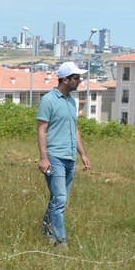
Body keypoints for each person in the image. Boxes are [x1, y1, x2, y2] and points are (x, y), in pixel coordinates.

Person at [36, 62, 91, 249]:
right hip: (54, 157)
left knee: (59, 200)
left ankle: (46, 231)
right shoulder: (49, 100)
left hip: (70, 157)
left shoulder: (72, 102)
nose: (79, 82)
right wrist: (44, 158)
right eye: (76, 78)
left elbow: (74, 129)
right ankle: (60, 241)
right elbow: (41, 130)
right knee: (60, 200)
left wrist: (82, 154)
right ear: (65, 79)